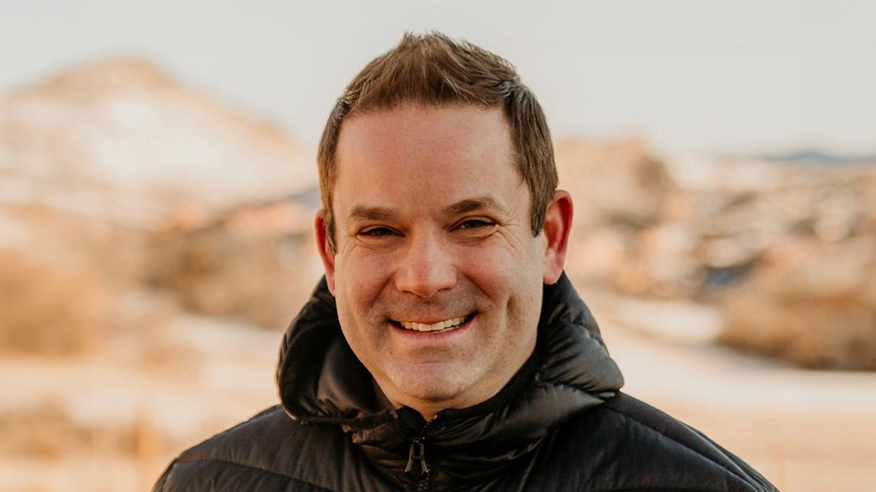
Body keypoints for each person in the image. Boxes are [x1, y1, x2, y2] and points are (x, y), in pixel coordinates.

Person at [153, 32, 777, 492]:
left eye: (472, 224)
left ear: (551, 237)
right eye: (379, 230)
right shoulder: (209, 483)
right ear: (330, 250)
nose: (424, 277)